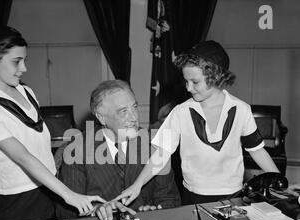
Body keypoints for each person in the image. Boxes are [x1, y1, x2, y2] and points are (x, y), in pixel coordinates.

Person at [0, 26, 104, 220]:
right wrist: (69, 194)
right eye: (16, 62)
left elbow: (40, 143)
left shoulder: (27, 92)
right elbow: (22, 156)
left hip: (48, 188)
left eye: (24, 60)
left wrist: (61, 187)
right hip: (18, 198)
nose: (24, 68)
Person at [117, 40, 279, 206]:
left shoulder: (241, 110)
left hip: (234, 196)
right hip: (193, 197)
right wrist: (137, 185)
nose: (188, 88)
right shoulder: (181, 112)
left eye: (195, 82)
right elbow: (161, 154)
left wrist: (280, 181)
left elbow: (257, 151)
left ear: (216, 77)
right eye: (186, 81)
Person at [57, 80, 181, 220]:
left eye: (134, 108)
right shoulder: (77, 150)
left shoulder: (154, 145)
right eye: (123, 112)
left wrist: (155, 211)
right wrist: (96, 209)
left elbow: (170, 200)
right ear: (101, 117)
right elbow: (65, 213)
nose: (134, 118)